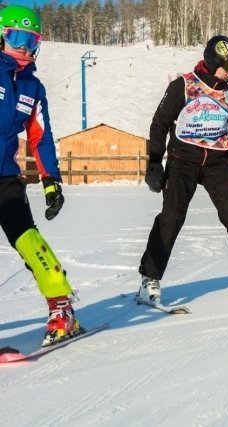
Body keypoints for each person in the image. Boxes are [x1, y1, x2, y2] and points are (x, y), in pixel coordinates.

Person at [138, 35, 228, 304]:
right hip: (182, 160)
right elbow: (159, 123)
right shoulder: (183, 86)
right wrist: (154, 162)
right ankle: (149, 279)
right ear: (212, 62)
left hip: (219, 163)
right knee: (172, 216)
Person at [0, 5, 82, 346]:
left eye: (31, 41)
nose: (23, 48)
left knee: (29, 242)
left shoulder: (33, 89)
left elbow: (40, 136)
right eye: (17, 38)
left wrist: (51, 180)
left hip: (5, 178)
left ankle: (62, 308)